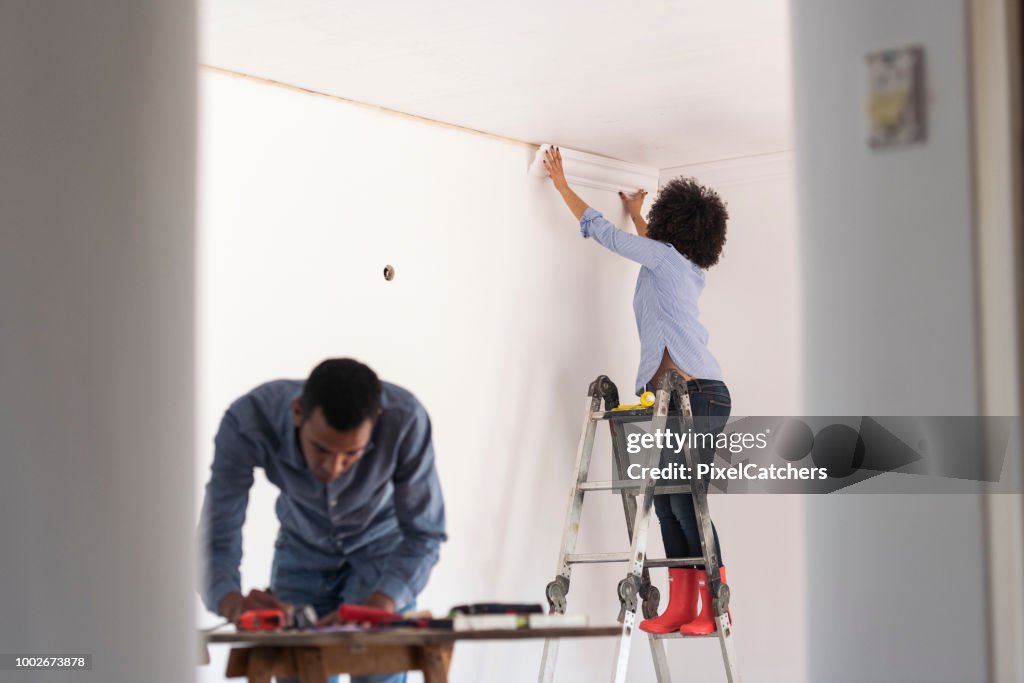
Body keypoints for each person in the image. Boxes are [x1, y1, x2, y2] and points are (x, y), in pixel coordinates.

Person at [543, 147, 731, 636]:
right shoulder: (680, 266)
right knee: (666, 504)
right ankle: (681, 606)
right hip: (673, 398)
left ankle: (714, 607)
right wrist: (637, 212)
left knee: (687, 501)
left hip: (698, 395)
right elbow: (649, 244)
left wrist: (562, 185)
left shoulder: (667, 260)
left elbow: (605, 236)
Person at [198, 358, 447, 683]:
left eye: (352, 455)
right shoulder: (248, 421)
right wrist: (231, 602)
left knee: (378, 668)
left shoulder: (407, 421)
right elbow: (216, 537)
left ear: (377, 424)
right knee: (296, 670)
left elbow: (425, 534)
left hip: (382, 556)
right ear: (298, 411)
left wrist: (382, 602)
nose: (333, 468)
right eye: (320, 449)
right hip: (301, 553)